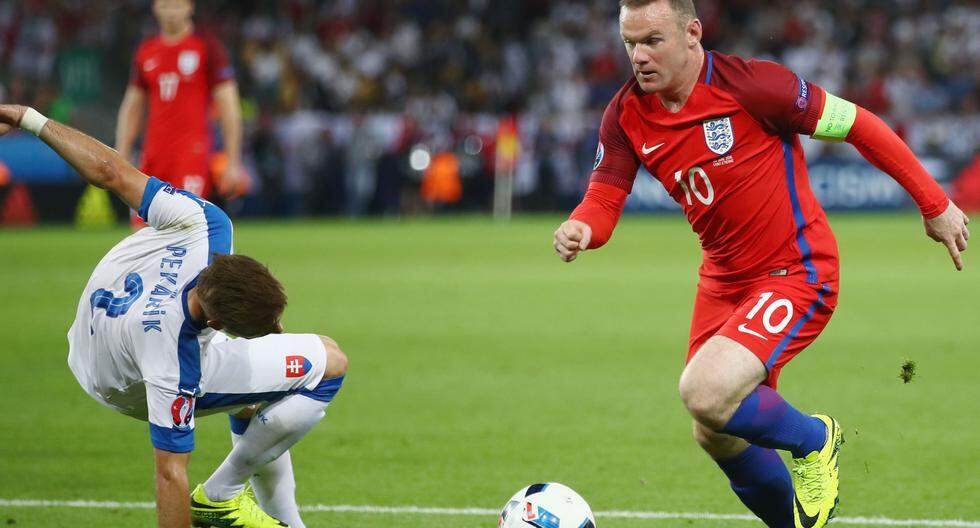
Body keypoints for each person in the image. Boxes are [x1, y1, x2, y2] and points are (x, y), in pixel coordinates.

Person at [552, 2, 970, 528]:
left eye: (652, 41)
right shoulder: (626, 113)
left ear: (692, 33)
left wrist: (934, 204)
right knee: (713, 428)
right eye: (629, 43)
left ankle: (816, 440)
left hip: (796, 270)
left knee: (704, 392)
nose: (638, 56)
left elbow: (860, 124)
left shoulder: (755, 87)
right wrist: (581, 228)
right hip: (722, 283)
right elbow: (605, 199)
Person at [0, 104, 347, 528]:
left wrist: (27, 119)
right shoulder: (173, 363)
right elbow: (170, 474)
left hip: (91, 333)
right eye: (267, 329)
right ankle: (220, 497)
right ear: (219, 325)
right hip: (121, 381)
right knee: (329, 362)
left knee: (257, 397)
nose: (277, 331)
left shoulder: (206, 222)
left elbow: (110, 172)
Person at [116, 0, 242, 203]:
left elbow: (229, 106)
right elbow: (132, 107)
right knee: (145, 225)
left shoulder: (207, 47)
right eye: (165, 6)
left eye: (176, 5)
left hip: (192, 154)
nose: (171, 12)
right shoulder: (146, 51)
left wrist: (233, 160)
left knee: (186, 222)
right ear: (155, 8)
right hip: (153, 154)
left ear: (190, 7)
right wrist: (122, 152)